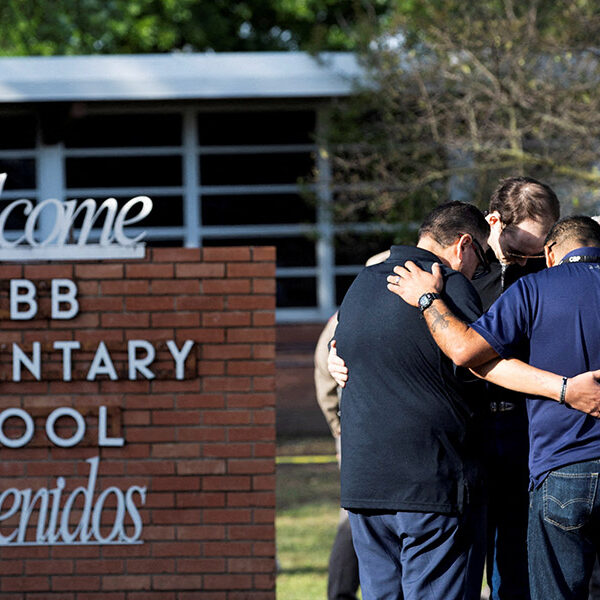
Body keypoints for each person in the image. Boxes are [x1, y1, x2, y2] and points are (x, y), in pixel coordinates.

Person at [331, 176, 561, 600]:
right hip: (447, 463)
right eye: (517, 248)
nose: (528, 259)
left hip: (499, 449)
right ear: (474, 239)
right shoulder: (455, 282)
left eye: (540, 251)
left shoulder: (370, 281)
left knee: (513, 573)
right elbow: (477, 362)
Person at [386, 215, 600, 599]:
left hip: (563, 467)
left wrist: (427, 298)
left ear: (550, 255)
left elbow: (466, 350)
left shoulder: (534, 288)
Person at [334, 201, 492, 599]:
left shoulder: (362, 283)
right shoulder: (453, 288)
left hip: (365, 484)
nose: (479, 270)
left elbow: (344, 350)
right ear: (464, 245)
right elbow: (482, 376)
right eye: (483, 259)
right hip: (432, 483)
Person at [314, 313, 360, 600]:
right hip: (357, 434)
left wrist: (338, 429)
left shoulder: (346, 309)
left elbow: (322, 376)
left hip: (352, 432)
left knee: (353, 516)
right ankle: (340, 593)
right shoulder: (349, 313)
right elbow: (324, 369)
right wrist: (339, 430)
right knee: (354, 518)